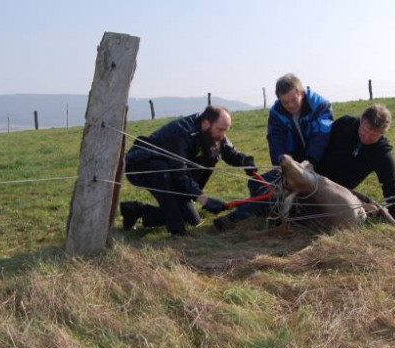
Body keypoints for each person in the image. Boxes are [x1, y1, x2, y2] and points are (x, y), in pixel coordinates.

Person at [214, 73, 333, 230]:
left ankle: (237, 217)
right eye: (285, 102)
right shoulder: (276, 112)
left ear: (302, 93)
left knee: (277, 192)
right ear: (279, 99)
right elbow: (275, 140)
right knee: (258, 185)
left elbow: (321, 136)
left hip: (320, 161)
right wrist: (280, 165)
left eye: (293, 100)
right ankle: (262, 212)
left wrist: (309, 162)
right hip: (292, 163)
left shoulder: (320, 105)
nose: (290, 105)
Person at [119, 105, 257, 236]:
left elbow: (230, 153)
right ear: (206, 123)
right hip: (142, 165)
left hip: (172, 170)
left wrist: (245, 162)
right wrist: (204, 200)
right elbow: (180, 172)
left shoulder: (213, 134)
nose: (223, 135)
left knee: (192, 219)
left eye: (226, 130)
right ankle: (177, 231)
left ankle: (134, 210)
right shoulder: (181, 132)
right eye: (221, 130)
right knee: (161, 173)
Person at [316, 104, 395, 225]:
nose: (366, 137)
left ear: (382, 133)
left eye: (373, 135)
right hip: (315, 178)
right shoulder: (344, 124)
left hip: (340, 191)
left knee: (368, 210)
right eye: (364, 131)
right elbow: (317, 144)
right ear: (361, 120)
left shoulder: (381, 153)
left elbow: (391, 185)